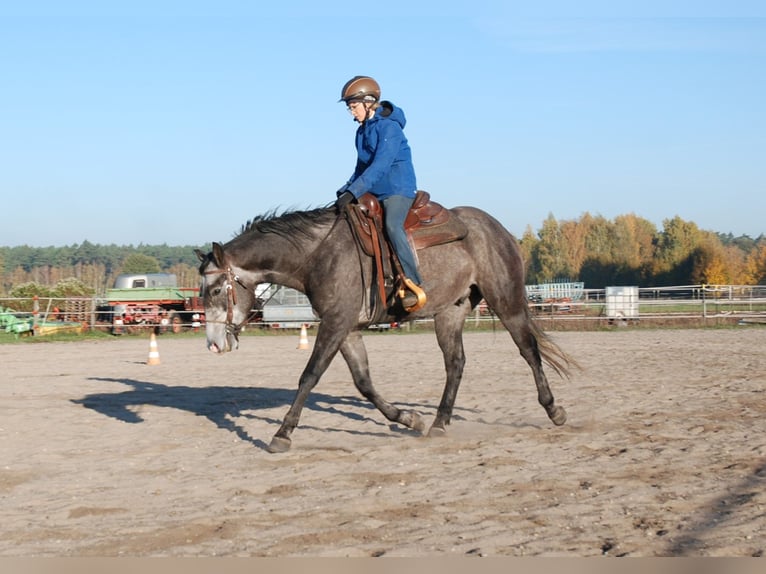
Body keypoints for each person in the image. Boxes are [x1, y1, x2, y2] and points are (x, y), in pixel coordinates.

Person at [334, 75, 426, 311]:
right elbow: (361, 168)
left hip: (397, 189)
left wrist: (354, 191)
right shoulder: (361, 132)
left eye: (353, 107)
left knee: (393, 226)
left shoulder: (389, 128)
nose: (351, 113)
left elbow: (380, 166)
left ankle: (413, 281)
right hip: (373, 190)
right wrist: (346, 190)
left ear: (368, 102)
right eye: (349, 108)